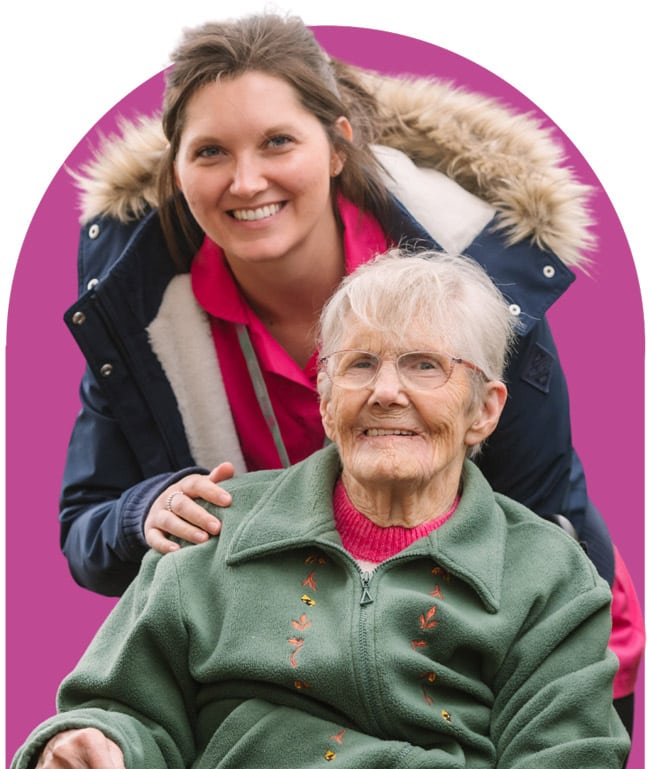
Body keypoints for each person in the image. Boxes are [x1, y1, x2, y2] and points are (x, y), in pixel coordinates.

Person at [60, 14, 643, 722]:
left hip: (512, 657)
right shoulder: (137, 313)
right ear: (175, 169)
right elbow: (86, 526)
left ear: (337, 146)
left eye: (278, 141)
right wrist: (142, 511)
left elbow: (540, 517)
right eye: (210, 152)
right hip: (297, 667)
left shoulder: (479, 276)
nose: (247, 181)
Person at [12, 251, 629, 769]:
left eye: (425, 364)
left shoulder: (549, 574)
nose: (385, 391)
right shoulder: (215, 527)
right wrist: (92, 748)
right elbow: (132, 712)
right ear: (327, 400)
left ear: (485, 408)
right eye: (360, 364)